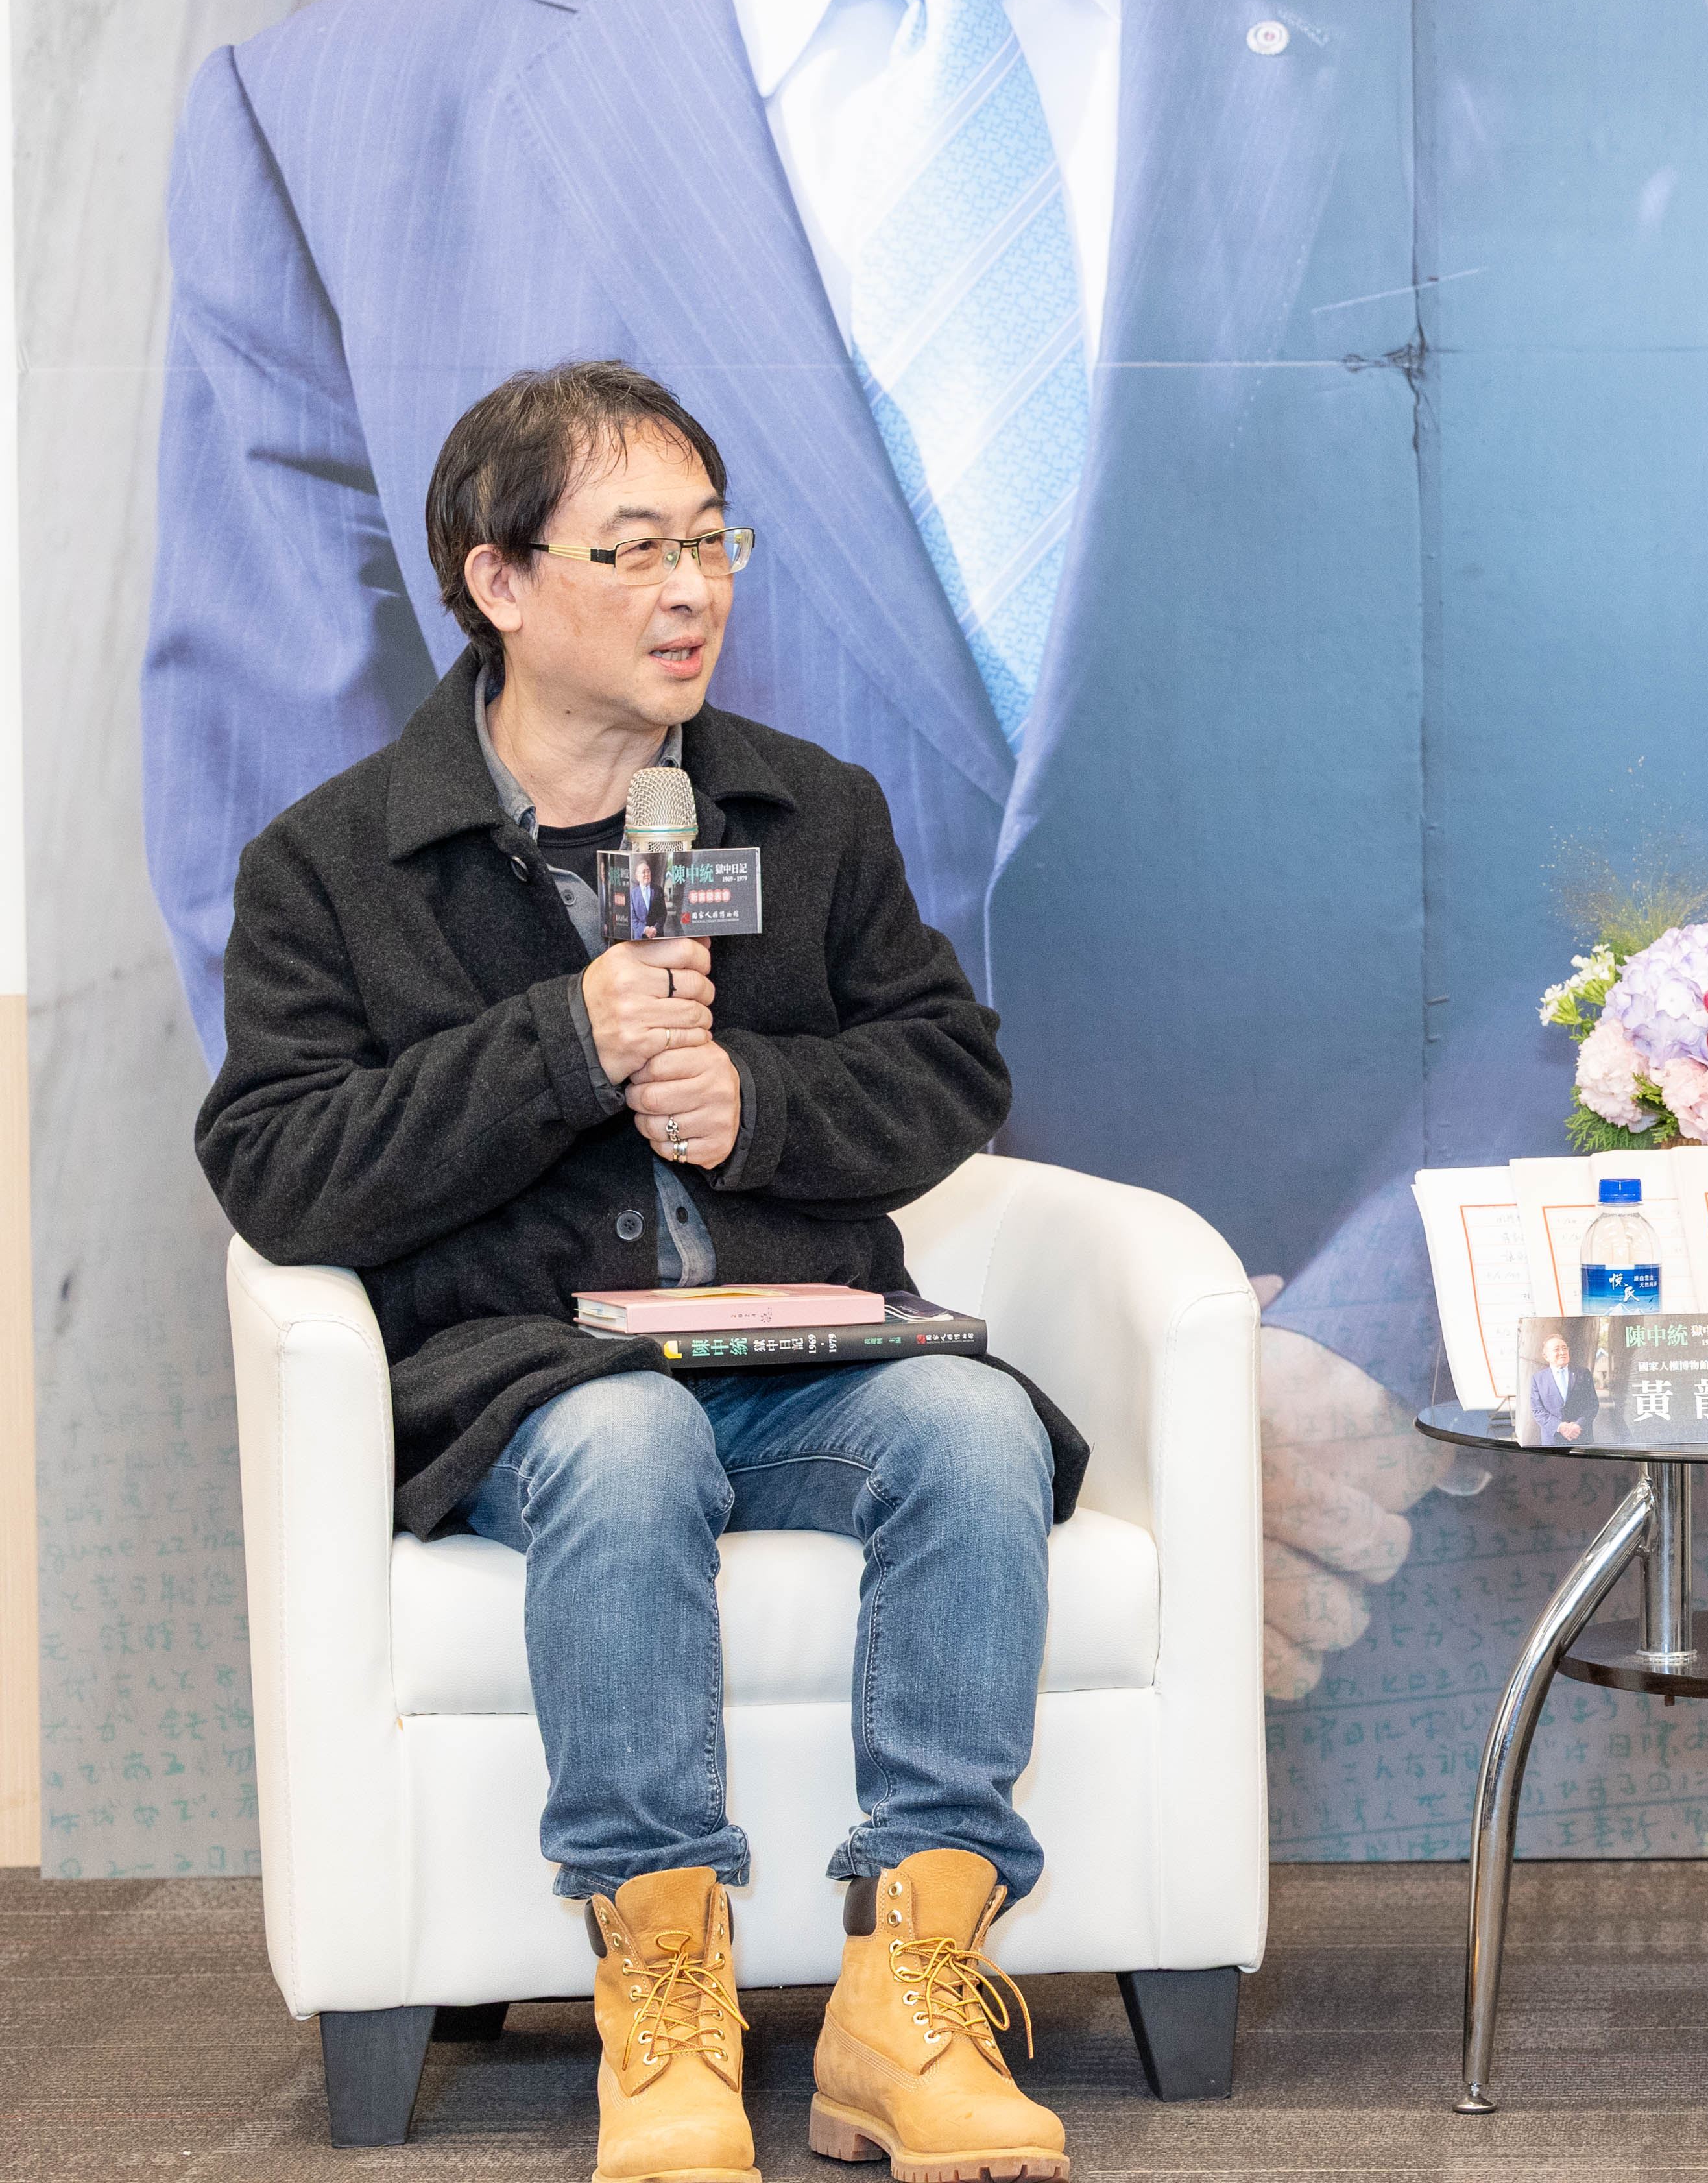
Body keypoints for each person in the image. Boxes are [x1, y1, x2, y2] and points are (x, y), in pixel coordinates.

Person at [148, 0, 1708, 1706]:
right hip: (698, 1603)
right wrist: (799, 1389)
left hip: (1404, 1578)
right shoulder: (339, 127)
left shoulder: (1534, 0)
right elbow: (318, 955)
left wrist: (1366, 1353)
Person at [194, 365, 1082, 2183]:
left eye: (712, 543)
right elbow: (279, 1169)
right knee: (626, 1442)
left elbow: (949, 1073)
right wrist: (560, 1048)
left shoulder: (805, 813)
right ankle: (658, 1991)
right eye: (636, 551)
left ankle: (909, 1993)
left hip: (802, 1358)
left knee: (974, 1426)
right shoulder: (334, 864)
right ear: (500, 581)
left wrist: (760, 1104)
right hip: (532, 1381)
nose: (692, 592)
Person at [1523, 1331, 1598, 1448]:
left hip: (1581, 1436)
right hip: (1553, 1439)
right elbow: (1537, 1410)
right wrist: (1559, 1426)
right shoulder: (1538, 1379)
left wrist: (1578, 1425)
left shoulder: (1583, 1374)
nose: (1562, 1352)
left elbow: (1592, 1404)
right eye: (1557, 1349)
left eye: (1564, 1348)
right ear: (1546, 1356)